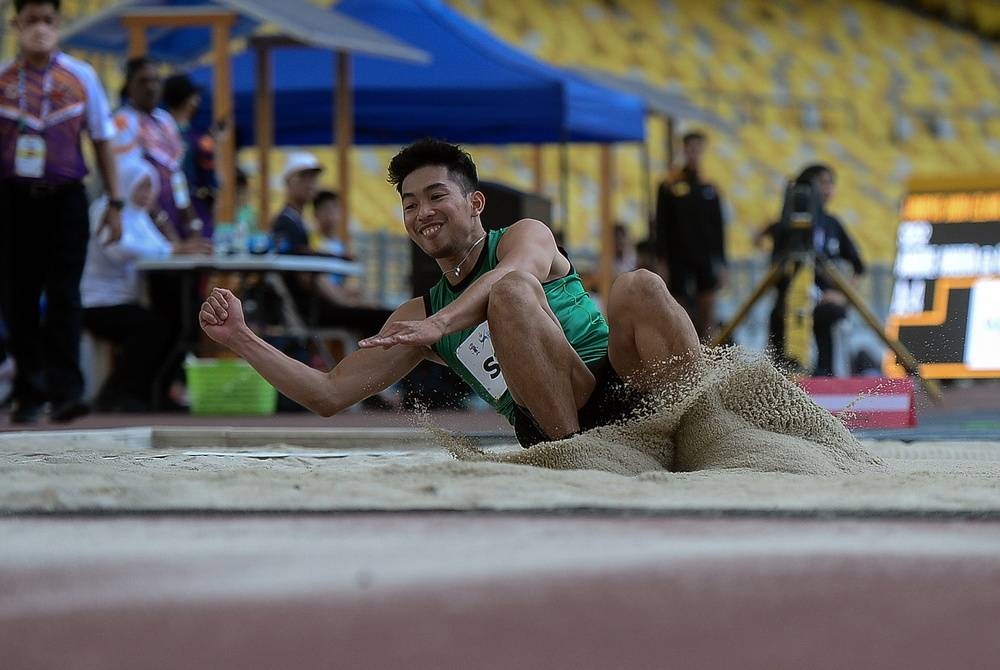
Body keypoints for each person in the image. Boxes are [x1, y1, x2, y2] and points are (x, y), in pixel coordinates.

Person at [199, 138, 699, 446]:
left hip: (619, 382)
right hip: (556, 420)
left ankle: (706, 424)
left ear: (476, 203)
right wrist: (241, 338)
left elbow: (512, 275)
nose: (422, 213)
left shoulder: (526, 235)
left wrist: (442, 325)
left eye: (436, 196)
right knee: (510, 297)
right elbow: (329, 395)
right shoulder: (417, 316)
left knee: (637, 284)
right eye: (410, 204)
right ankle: (573, 454)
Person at [0, 0, 122, 424]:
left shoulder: (81, 76)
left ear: (59, 24)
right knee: (18, 297)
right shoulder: (3, 79)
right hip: (14, 199)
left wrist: (116, 203)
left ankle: (66, 391)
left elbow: (103, 139)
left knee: (65, 296)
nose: (39, 29)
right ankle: (27, 392)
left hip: (67, 198)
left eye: (47, 21)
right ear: (16, 24)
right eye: (30, 21)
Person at [81, 158, 210, 411]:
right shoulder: (106, 210)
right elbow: (118, 249)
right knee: (155, 328)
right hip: (97, 301)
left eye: (150, 188)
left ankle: (153, 393)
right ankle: (117, 395)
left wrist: (175, 248)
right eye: (141, 187)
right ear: (126, 184)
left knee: (176, 324)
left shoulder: (138, 216)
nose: (147, 195)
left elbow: (160, 248)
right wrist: (175, 249)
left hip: (126, 299)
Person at [270, 154, 390, 336]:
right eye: (303, 177)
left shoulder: (297, 222)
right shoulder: (286, 223)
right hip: (311, 311)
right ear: (288, 183)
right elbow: (303, 274)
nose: (311, 183)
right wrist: (342, 299)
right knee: (383, 318)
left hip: (316, 306)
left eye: (314, 178)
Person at [765, 164, 865, 376]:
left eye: (830, 183)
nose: (827, 189)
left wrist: (841, 296)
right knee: (778, 322)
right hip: (790, 306)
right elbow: (775, 270)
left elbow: (859, 267)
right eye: (821, 183)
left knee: (833, 318)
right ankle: (781, 380)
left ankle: (829, 380)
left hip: (826, 306)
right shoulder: (785, 226)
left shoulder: (833, 224)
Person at [112, 57, 202, 241]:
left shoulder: (165, 120)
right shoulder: (122, 122)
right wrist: (166, 230)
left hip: (172, 214)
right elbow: (134, 181)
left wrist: (191, 222)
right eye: (143, 81)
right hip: (142, 221)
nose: (151, 87)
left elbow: (175, 172)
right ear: (129, 86)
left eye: (155, 80)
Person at [654, 130, 727, 341]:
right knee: (679, 305)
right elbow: (662, 226)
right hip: (678, 255)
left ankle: (708, 349)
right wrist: (662, 260)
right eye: (690, 148)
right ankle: (683, 344)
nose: (694, 153)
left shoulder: (709, 187)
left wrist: (722, 262)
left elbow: (718, 227)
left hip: (704, 256)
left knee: (708, 305)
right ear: (684, 149)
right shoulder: (669, 185)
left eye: (698, 149)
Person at [162, 73, 217, 235]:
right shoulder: (198, 141)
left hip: (161, 208)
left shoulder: (154, 134)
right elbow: (209, 182)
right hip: (192, 208)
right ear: (190, 100)